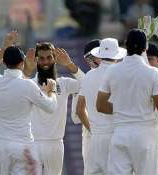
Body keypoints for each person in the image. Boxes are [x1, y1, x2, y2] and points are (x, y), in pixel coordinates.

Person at [96, 29, 158, 175]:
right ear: (145, 48)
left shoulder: (112, 71)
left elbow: (100, 106)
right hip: (144, 135)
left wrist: (122, 108)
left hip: (120, 134)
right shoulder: (152, 73)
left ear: (125, 45)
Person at [0, 31, 57, 174]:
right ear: (22, 63)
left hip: (0, 147)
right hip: (23, 147)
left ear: (4, 62)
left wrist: (4, 48)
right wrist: (51, 91)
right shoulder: (27, 86)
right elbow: (51, 107)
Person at [24, 42, 84, 175]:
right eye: (41, 58)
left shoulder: (64, 83)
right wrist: (27, 70)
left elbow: (89, 85)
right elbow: (14, 90)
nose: (45, 62)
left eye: (49, 57)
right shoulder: (29, 84)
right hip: (32, 143)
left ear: (55, 59)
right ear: (36, 60)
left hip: (56, 144)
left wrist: (70, 64)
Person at [76, 38, 126, 175]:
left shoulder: (88, 76)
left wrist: (93, 130)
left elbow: (79, 110)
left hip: (95, 138)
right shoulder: (120, 74)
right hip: (116, 135)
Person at [71, 39, 101, 175]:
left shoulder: (116, 75)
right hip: (92, 138)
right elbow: (76, 116)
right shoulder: (85, 79)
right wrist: (94, 131)